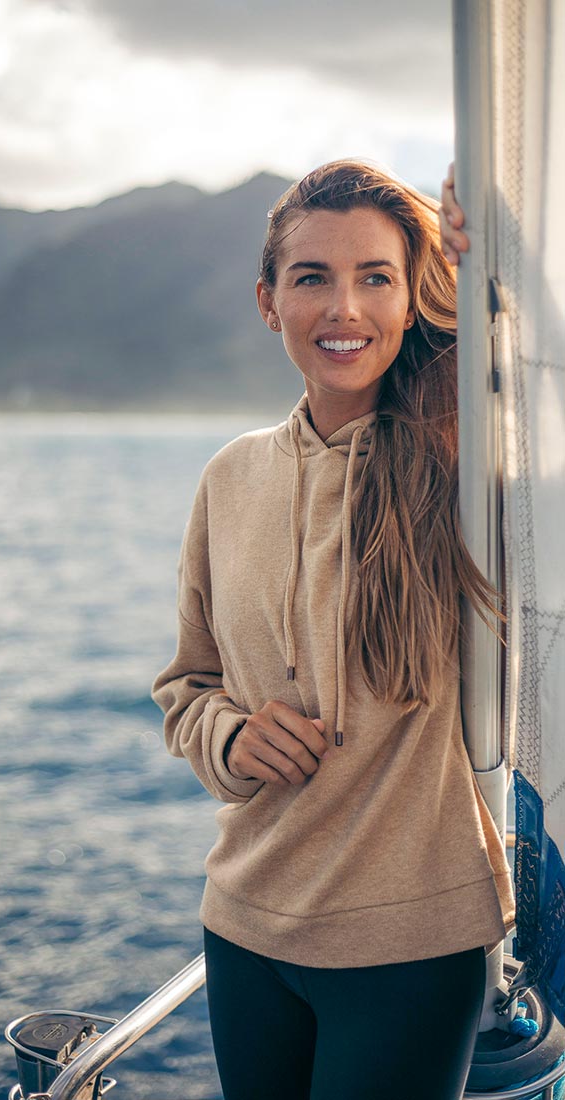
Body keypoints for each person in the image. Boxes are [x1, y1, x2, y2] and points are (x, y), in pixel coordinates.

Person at [152, 161, 513, 1100]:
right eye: (312, 277)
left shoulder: (463, 464)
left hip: (408, 945)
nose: (342, 306)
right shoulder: (230, 478)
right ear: (269, 302)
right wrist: (232, 735)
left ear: (410, 295)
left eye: (376, 276)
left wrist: (499, 278)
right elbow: (187, 685)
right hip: (243, 928)